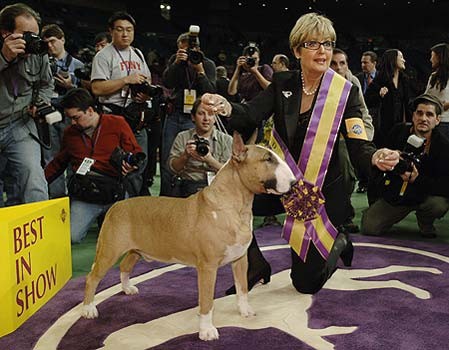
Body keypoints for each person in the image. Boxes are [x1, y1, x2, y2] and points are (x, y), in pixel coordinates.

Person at [201, 12, 400, 295]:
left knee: (306, 284)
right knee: (230, 200)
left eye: (328, 44)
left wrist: (374, 156)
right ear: (297, 50)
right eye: (313, 44)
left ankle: (339, 240)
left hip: (320, 190)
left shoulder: (345, 93)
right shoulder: (282, 83)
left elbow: (359, 146)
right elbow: (249, 115)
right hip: (283, 181)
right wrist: (226, 106)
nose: (323, 51)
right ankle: (256, 266)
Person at [45, 88, 142, 243]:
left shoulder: (117, 123)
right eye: (70, 118)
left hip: (114, 191)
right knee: (71, 236)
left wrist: (131, 166)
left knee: (124, 239)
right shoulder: (70, 133)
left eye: (76, 117)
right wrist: (41, 182)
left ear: (90, 110)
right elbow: (59, 162)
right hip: (86, 194)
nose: (73, 122)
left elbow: (136, 153)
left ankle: (109, 218)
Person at [361, 93, 449, 238]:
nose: (423, 119)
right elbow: (376, 167)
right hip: (396, 195)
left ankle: (425, 221)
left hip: (424, 195)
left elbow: (445, 185)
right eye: (419, 113)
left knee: (439, 204)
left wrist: (417, 179)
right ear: (413, 116)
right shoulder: (398, 132)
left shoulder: (443, 146)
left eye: (429, 114)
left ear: (437, 120)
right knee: (369, 227)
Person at [90, 11, 151, 197]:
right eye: (120, 30)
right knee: (113, 167)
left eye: (129, 30)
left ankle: (132, 211)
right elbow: (97, 88)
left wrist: (145, 94)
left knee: (137, 165)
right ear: (111, 31)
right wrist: (126, 80)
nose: (125, 34)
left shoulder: (138, 53)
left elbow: (146, 80)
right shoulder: (103, 55)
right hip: (113, 117)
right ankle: (110, 213)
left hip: (136, 117)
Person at [0, 3, 53, 206]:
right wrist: (4, 57)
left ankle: (39, 234)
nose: (34, 41)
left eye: (36, 35)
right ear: (5, 33)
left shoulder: (39, 53)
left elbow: (46, 84)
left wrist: (40, 103)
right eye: (27, 35)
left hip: (20, 124)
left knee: (34, 179)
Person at [160, 30, 216, 196]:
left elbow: (211, 92)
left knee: (195, 158)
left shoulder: (207, 64)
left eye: (191, 50)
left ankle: (191, 198)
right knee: (168, 160)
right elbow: (168, 83)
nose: (188, 54)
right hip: (175, 115)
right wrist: (177, 63)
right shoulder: (175, 61)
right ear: (178, 49)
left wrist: (200, 71)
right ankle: (166, 199)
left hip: (196, 117)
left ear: (198, 48)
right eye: (183, 50)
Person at [330, 47, 374, 233]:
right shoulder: (316, 82)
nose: (339, 67)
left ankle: (345, 215)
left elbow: (363, 112)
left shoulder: (353, 82)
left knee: (347, 176)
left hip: (347, 138)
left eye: (342, 63)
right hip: (319, 139)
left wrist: (366, 137)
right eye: (334, 63)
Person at [41, 23, 85, 198]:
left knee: (75, 157)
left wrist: (71, 85)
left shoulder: (77, 64)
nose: (50, 46)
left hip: (71, 117)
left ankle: (77, 198)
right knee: (51, 159)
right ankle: (56, 199)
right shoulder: (41, 62)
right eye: (47, 43)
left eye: (53, 41)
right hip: (49, 115)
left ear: (62, 39)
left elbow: (84, 96)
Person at [168, 98, 232, 197]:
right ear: (193, 117)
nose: (206, 119)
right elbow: (173, 169)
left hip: (216, 188)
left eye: (210, 114)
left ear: (215, 118)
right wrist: (185, 156)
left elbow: (230, 173)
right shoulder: (183, 137)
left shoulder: (226, 140)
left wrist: (210, 160)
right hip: (188, 187)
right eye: (201, 114)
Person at [365, 49, 413, 148]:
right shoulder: (381, 79)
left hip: (402, 125)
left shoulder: (404, 80)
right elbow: (367, 100)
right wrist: (379, 94)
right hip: (384, 127)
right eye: (401, 57)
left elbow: (409, 102)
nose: (404, 60)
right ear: (393, 59)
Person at [424, 43, 449, 139]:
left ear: (440, 57)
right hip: (433, 121)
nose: (430, 60)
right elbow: (426, 96)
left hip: (446, 121)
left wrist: (445, 105)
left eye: (432, 56)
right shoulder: (433, 77)